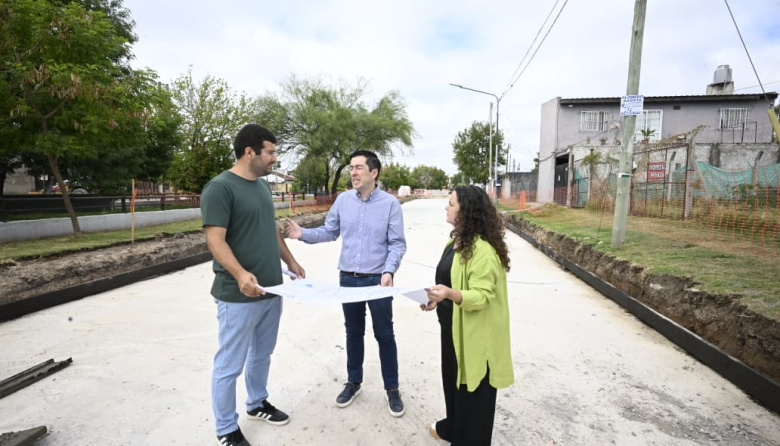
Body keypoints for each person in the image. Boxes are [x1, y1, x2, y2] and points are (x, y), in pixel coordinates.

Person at [201, 123, 306, 446]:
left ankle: (257, 402)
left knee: (262, 354)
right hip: (238, 296)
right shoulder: (220, 188)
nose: (274, 158)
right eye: (271, 152)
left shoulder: (262, 187)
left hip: (273, 290)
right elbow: (215, 240)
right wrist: (239, 274)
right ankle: (225, 428)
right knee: (229, 364)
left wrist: (289, 260)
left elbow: (271, 230)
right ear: (250, 152)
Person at [284, 150, 407, 417]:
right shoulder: (342, 201)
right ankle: (354, 382)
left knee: (384, 334)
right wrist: (301, 233)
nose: (353, 172)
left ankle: (392, 388)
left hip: (378, 280)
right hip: (348, 278)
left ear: (373, 173)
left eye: (359, 167)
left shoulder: (389, 204)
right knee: (353, 332)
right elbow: (330, 231)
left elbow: (397, 244)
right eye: (351, 167)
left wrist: (388, 271)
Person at [422, 185, 514, 446]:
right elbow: (449, 281)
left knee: (474, 392)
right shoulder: (455, 243)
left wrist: (450, 294)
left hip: (476, 335)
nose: (446, 207)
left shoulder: (482, 251)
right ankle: (453, 427)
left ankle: (469, 438)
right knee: (453, 383)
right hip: (452, 329)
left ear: (466, 212)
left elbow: (482, 296)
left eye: (451, 204)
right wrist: (436, 301)